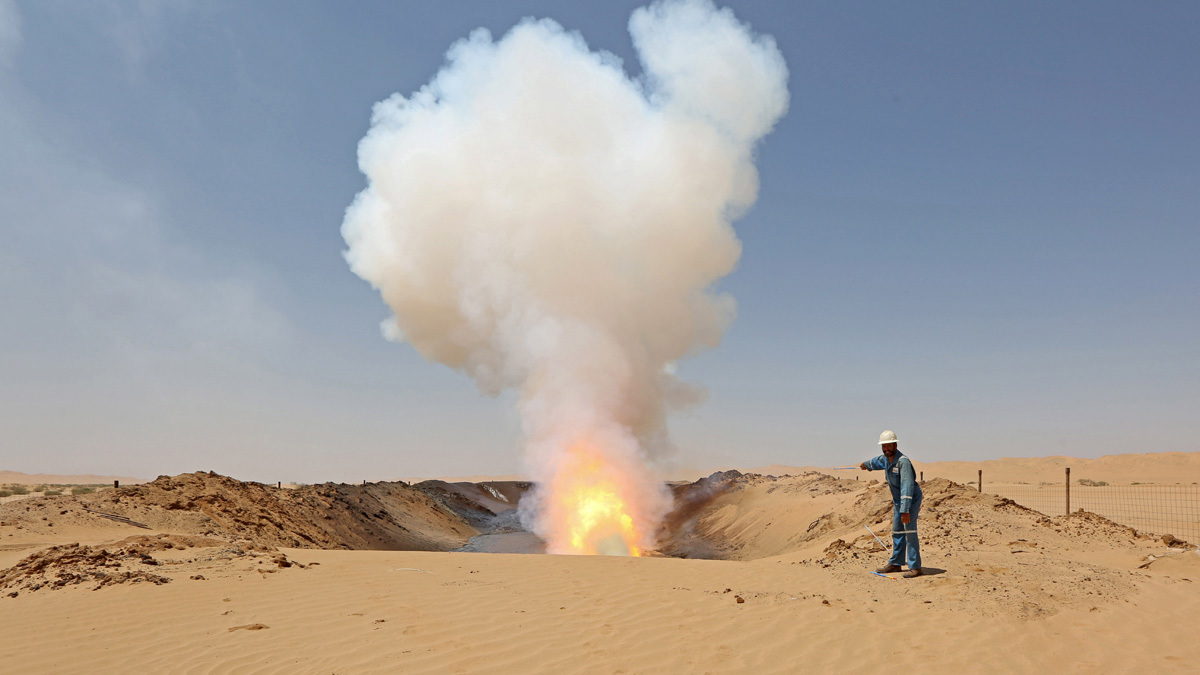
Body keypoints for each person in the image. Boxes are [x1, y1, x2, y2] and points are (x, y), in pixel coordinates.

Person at [859, 430, 923, 577]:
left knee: (909, 530)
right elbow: (876, 462)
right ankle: (896, 563)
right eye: (884, 446)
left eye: (889, 446)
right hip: (898, 500)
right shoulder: (886, 459)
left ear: (895, 445)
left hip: (909, 500)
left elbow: (907, 486)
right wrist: (866, 465)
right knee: (897, 530)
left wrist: (905, 510)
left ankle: (915, 567)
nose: (886, 449)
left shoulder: (903, 462)